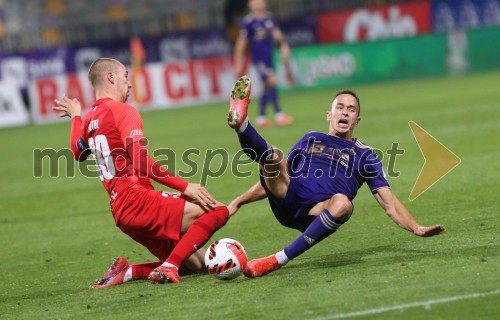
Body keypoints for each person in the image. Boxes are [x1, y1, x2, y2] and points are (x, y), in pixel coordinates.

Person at [226, 75, 446, 278]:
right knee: (273, 156)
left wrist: (415, 227)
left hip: (317, 211)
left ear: (357, 121)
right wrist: (239, 201)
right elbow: (279, 174)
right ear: (329, 115)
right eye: (339, 108)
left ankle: (277, 259)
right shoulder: (310, 139)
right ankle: (241, 125)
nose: (344, 113)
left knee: (344, 203)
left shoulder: (365, 156)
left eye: (351, 110)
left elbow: (389, 203)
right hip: (287, 197)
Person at [52, 58, 229, 287]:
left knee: (196, 265)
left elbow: (77, 152)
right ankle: (169, 266)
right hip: (138, 200)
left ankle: (129, 272)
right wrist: (186, 186)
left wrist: (75, 116)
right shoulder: (123, 111)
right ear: (111, 77)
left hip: (122, 212)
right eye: (125, 76)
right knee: (217, 211)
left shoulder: (90, 119)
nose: (130, 83)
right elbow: (141, 161)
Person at [233, 0, 294, 128]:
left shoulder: (270, 18)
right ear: (250, 5)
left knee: (267, 85)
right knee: (271, 81)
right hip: (259, 58)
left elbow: (278, 35)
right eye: (255, 2)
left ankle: (261, 117)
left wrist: (283, 45)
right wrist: (238, 62)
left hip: (269, 57)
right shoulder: (249, 22)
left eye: (260, 1)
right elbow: (241, 43)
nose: (258, 4)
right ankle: (279, 114)